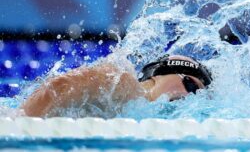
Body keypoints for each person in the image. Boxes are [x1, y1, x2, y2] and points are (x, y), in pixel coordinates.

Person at [21, 54, 213, 117]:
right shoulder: (123, 84)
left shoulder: (140, 110)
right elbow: (61, 86)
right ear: (158, 76)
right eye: (191, 85)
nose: (190, 97)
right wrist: (22, 123)